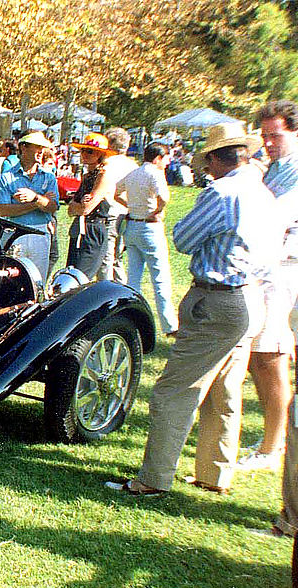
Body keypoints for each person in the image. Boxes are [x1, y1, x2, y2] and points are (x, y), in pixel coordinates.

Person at [106, 123, 278, 496]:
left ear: (216, 158)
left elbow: (184, 238)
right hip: (250, 295)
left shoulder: (221, 192)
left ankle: (153, 480)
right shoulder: (261, 191)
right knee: (225, 390)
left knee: (174, 390)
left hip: (216, 298)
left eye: (207, 160)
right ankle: (214, 473)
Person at [241, 100, 298, 473]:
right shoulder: (276, 168)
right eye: (264, 136)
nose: (268, 142)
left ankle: (272, 445)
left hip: (283, 268)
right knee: (261, 356)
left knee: (269, 354)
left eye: (275, 135)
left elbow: (273, 218)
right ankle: (273, 437)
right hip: (269, 266)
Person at [115, 142, 177, 335]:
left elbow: (116, 191)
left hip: (132, 225)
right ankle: (170, 325)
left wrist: (131, 207)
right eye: (166, 158)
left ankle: (132, 320)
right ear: (158, 158)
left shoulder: (134, 173)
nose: (167, 163)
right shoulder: (155, 173)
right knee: (160, 278)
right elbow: (164, 198)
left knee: (133, 278)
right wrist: (156, 210)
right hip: (150, 227)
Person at [0, 131, 60, 280]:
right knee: (12, 279)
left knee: (38, 280)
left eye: (43, 147)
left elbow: (53, 206)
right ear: (23, 148)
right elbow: (3, 210)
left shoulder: (49, 177)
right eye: (37, 146)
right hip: (16, 233)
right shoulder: (7, 177)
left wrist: (34, 197)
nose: (41, 151)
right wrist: (39, 202)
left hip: (40, 233)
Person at [65, 132, 118, 279]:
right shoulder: (87, 176)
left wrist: (78, 207)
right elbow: (71, 209)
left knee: (80, 279)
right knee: (70, 276)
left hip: (93, 231)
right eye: (83, 150)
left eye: (90, 151)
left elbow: (86, 209)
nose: (84, 154)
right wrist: (77, 207)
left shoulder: (104, 175)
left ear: (100, 154)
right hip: (79, 229)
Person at [100, 127, 135, 282]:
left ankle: (106, 290)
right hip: (126, 214)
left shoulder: (106, 163)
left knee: (105, 258)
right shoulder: (133, 165)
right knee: (117, 257)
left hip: (109, 213)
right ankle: (122, 286)